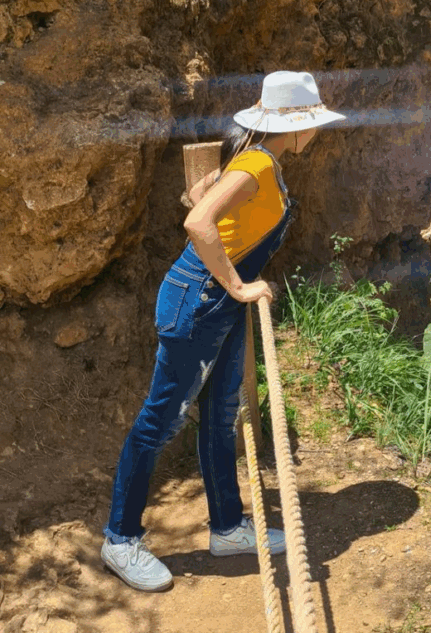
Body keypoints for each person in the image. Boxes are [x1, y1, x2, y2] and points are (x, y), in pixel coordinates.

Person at [101, 71, 344, 592]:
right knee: (159, 423)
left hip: (211, 301)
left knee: (220, 415)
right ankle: (119, 539)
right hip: (199, 301)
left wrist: (233, 278)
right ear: (297, 126)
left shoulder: (253, 157)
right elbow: (198, 222)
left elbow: (198, 199)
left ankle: (228, 527)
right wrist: (238, 285)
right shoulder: (256, 162)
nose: (318, 132)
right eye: (314, 123)